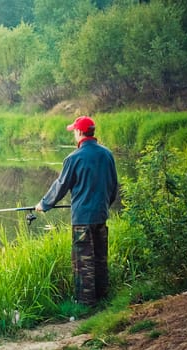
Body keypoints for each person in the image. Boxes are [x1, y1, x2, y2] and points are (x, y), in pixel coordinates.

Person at [35, 115, 118, 307]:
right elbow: (113, 186)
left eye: (74, 131)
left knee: (83, 262)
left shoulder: (74, 158)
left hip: (82, 219)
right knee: (99, 258)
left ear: (80, 132)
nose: (74, 133)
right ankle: (103, 296)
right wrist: (105, 205)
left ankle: (85, 303)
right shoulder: (107, 154)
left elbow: (61, 185)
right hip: (101, 215)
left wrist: (44, 204)